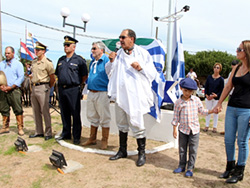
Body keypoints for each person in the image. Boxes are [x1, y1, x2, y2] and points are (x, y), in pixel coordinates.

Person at [106, 29, 157, 167]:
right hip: (120, 96)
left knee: (137, 125)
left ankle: (141, 153)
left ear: (132, 39)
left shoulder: (142, 53)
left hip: (135, 96)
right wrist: (111, 61)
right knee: (121, 124)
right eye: (120, 37)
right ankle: (122, 150)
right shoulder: (119, 54)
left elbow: (152, 73)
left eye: (123, 37)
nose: (120, 40)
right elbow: (110, 72)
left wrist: (140, 68)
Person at [214, 40, 250, 184]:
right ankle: (230, 166)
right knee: (228, 139)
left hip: (247, 110)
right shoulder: (236, 68)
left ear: (246, 52)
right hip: (232, 108)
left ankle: (239, 171)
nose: (236, 51)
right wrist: (219, 103)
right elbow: (228, 86)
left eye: (239, 49)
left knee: (242, 141)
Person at [172, 78, 214, 177]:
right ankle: (181, 165)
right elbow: (175, 117)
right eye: (185, 90)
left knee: (193, 149)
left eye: (190, 91)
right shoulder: (178, 102)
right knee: (182, 148)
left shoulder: (196, 100)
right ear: (181, 88)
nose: (187, 93)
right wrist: (174, 129)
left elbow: (202, 111)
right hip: (183, 130)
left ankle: (190, 167)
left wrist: (212, 111)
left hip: (194, 130)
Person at [55, 36, 88, 145]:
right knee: (64, 113)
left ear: (73, 47)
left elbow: (84, 76)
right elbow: (57, 75)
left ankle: (77, 136)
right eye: (64, 45)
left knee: (75, 114)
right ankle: (66, 134)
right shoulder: (61, 60)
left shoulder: (79, 60)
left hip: (73, 89)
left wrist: (77, 83)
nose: (65, 47)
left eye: (68, 45)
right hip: (62, 89)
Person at [82, 41, 111, 149]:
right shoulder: (93, 62)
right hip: (92, 92)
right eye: (92, 48)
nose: (92, 50)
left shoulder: (107, 61)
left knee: (104, 117)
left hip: (102, 92)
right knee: (92, 116)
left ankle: (104, 140)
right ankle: (92, 138)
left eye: (94, 48)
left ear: (101, 50)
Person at [29, 42, 55, 140]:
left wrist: (48, 87)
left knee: (45, 111)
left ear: (43, 51)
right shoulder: (34, 62)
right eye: (36, 49)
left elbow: (52, 78)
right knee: (36, 111)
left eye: (39, 50)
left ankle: (48, 132)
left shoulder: (47, 63)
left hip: (43, 87)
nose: (36, 51)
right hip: (34, 87)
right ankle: (39, 131)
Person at [0, 46, 24, 135]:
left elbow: (21, 77)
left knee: (17, 109)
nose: (6, 55)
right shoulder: (1, 64)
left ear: (13, 53)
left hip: (14, 90)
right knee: (3, 109)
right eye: (5, 53)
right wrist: (1, 86)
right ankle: (5, 127)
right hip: (3, 90)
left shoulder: (18, 64)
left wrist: (12, 86)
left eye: (8, 53)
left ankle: (20, 127)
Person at [203, 63, 224, 133]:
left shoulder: (221, 79)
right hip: (208, 97)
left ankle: (214, 127)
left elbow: (221, 90)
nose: (216, 69)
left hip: (216, 98)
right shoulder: (209, 77)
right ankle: (206, 125)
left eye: (218, 67)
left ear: (220, 69)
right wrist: (206, 95)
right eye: (215, 67)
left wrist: (216, 95)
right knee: (208, 111)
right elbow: (206, 87)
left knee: (215, 112)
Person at [220, 60, 238, 135]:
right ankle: (228, 130)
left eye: (235, 65)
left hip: (240, 95)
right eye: (232, 65)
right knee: (230, 114)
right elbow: (227, 85)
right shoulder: (231, 73)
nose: (233, 67)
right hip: (231, 95)